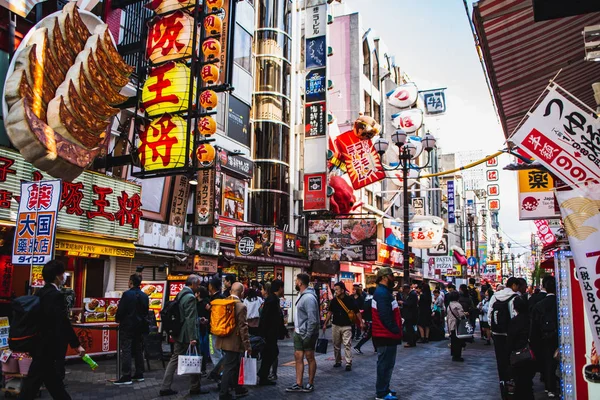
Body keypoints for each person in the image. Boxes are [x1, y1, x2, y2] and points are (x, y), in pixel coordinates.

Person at [19, 260, 86, 400]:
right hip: (48, 346)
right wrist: (76, 345)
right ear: (57, 276)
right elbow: (62, 322)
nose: (65, 276)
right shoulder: (56, 296)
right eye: (63, 274)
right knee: (36, 384)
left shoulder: (39, 294)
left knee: (49, 382)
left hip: (39, 345)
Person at [160, 275, 207, 397]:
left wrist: (198, 319)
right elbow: (190, 318)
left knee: (174, 358)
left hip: (179, 333)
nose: (199, 287)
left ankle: (165, 386)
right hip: (187, 335)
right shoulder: (191, 297)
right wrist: (193, 337)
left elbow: (185, 315)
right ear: (193, 284)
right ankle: (195, 387)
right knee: (195, 357)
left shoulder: (180, 294)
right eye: (198, 284)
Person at [216, 282, 251, 400]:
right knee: (229, 367)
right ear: (241, 293)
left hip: (222, 338)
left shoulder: (223, 302)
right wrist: (247, 345)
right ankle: (224, 393)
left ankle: (238, 388)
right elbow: (243, 328)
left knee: (233, 365)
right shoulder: (241, 306)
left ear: (231, 291)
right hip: (234, 342)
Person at [371, 268, 402, 400]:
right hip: (385, 334)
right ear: (384, 277)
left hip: (385, 334)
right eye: (391, 276)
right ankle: (382, 393)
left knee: (387, 364)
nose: (393, 278)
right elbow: (385, 315)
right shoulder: (383, 293)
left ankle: (384, 389)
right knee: (385, 364)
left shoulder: (382, 292)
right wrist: (395, 328)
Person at [286, 273, 319, 393]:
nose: (295, 282)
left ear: (300, 282)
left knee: (309, 357)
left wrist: (308, 335)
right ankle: (298, 383)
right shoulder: (301, 295)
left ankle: (310, 383)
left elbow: (312, 319)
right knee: (298, 356)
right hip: (299, 331)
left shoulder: (308, 297)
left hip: (307, 332)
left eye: (296, 281)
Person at [114, 273, 149, 385]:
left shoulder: (127, 295)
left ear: (131, 282)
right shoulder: (144, 296)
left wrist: (117, 318)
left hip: (128, 326)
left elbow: (121, 310)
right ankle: (139, 374)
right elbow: (145, 312)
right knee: (138, 349)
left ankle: (126, 375)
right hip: (140, 327)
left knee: (127, 350)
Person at [488, 277, 520, 398]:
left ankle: (502, 381)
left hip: (497, 333)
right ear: (514, 285)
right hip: (509, 334)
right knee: (511, 357)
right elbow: (514, 315)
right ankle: (511, 381)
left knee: (500, 358)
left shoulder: (495, 296)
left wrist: (493, 328)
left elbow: (490, 313)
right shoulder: (515, 297)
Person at [322, 282, 361, 371]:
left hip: (347, 325)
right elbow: (329, 312)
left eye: (337, 289)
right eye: (335, 290)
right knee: (336, 344)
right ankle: (338, 361)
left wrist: (361, 322)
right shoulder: (334, 301)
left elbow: (357, 311)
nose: (335, 291)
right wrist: (325, 324)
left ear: (342, 290)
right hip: (335, 325)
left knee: (347, 344)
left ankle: (348, 362)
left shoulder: (350, 300)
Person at [530, 276, 558, 398]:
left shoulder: (539, 305)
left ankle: (549, 386)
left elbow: (534, 325)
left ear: (544, 287)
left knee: (548, 362)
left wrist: (533, 340)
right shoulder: (562, 302)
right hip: (559, 337)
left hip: (544, 337)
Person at [257, 279, 286, 385]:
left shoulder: (273, 299)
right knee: (271, 353)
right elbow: (266, 318)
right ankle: (262, 375)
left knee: (270, 354)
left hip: (271, 333)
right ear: (280, 288)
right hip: (269, 334)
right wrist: (264, 333)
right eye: (283, 287)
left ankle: (263, 375)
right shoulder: (272, 300)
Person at [507, 297, 535, 399]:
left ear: (515, 308)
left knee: (519, 382)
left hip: (518, 355)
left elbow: (510, 339)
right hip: (530, 353)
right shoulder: (531, 319)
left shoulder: (514, 321)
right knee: (528, 382)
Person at [207, 277, 224, 382]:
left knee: (214, 352)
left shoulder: (214, 299)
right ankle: (221, 374)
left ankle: (219, 375)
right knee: (220, 353)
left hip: (213, 330)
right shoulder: (223, 297)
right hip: (222, 330)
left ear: (211, 286)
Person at [354, 286, 375, 354]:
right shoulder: (372, 300)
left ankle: (376, 349)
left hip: (368, 319)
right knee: (368, 335)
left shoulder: (367, 298)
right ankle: (357, 346)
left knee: (373, 335)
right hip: (370, 319)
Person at [196, 285, 211, 377]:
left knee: (202, 349)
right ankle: (202, 368)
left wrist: (206, 320)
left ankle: (202, 368)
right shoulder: (201, 302)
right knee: (202, 349)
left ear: (199, 294)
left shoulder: (205, 304)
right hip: (202, 328)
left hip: (203, 329)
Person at [446, 291, 466, 362]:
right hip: (457, 324)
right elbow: (461, 315)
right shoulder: (458, 305)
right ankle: (458, 356)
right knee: (458, 341)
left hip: (451, 324)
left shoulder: (449, 305)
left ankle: (454, 355)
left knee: (453, 340)